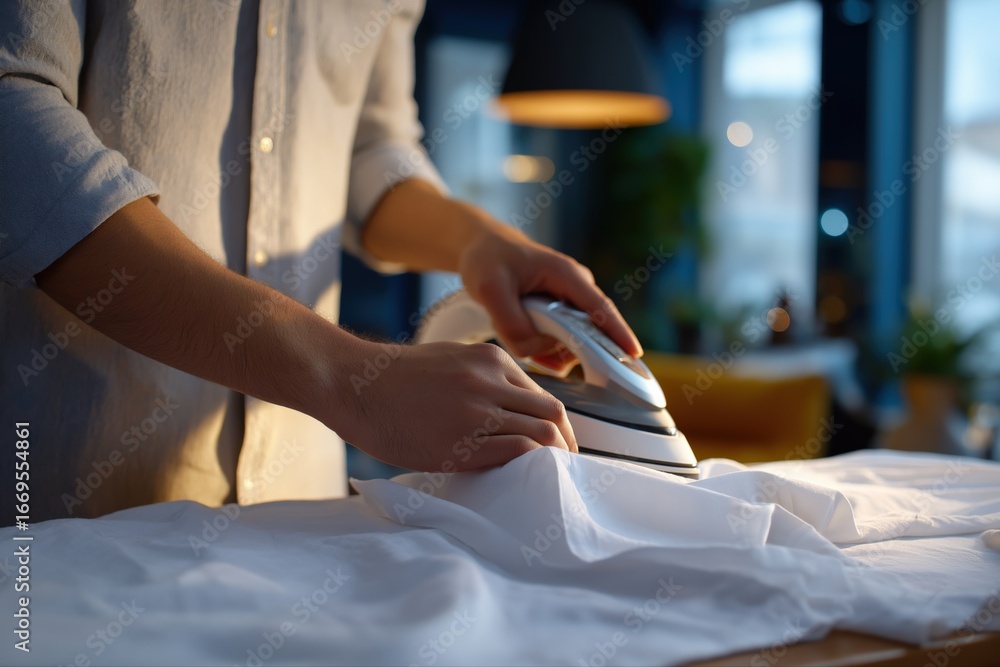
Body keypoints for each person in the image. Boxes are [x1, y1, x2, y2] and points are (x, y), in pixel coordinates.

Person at [0, 0, 642, 525]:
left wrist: (482, 244)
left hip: (297, 508)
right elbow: (15, 119)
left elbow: (372, 150)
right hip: (64, 497)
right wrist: (348, 378)